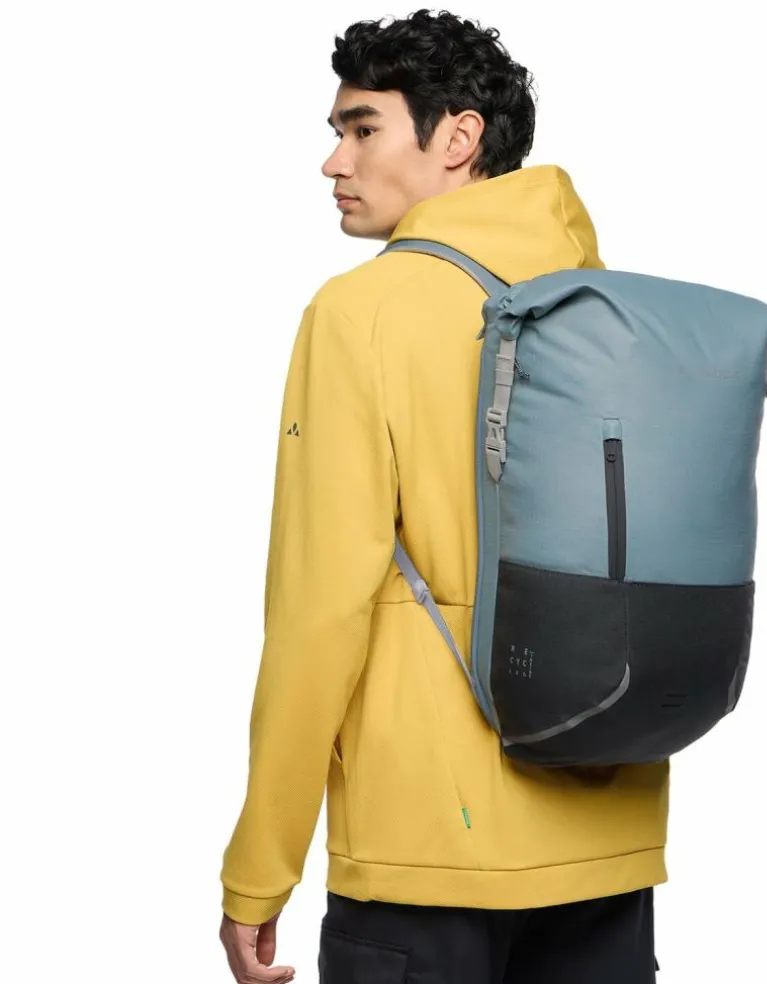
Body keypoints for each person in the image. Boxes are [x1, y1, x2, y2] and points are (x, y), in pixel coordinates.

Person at [218, 9, 669, 983]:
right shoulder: (614, 309)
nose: (334, 162)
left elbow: (319, 611)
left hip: (425, 850)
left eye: (362, 128)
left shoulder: (362, 312)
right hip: (610, 838)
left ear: (458, 137)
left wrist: (260, 868)